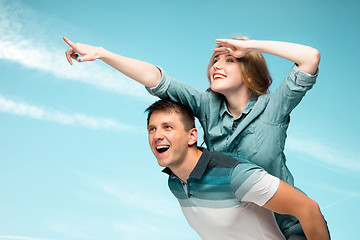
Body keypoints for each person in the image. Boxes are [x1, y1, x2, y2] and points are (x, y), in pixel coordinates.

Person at [63, 36, 322, 238]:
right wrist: (103, 54)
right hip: (239, 225)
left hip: (289, 227)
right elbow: (157, 79)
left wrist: (250, 46)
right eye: (215, 62)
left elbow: (310, 58)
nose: (217, 66)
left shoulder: (272, 107)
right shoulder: (207, 104)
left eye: (229, 60)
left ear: (250, 73)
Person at [145, 99, 329, 240]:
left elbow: (308, 208)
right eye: (151, 129)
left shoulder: (235, 175)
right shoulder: (175, 181)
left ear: (192, 136)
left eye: (167, 127)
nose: (157, 136)